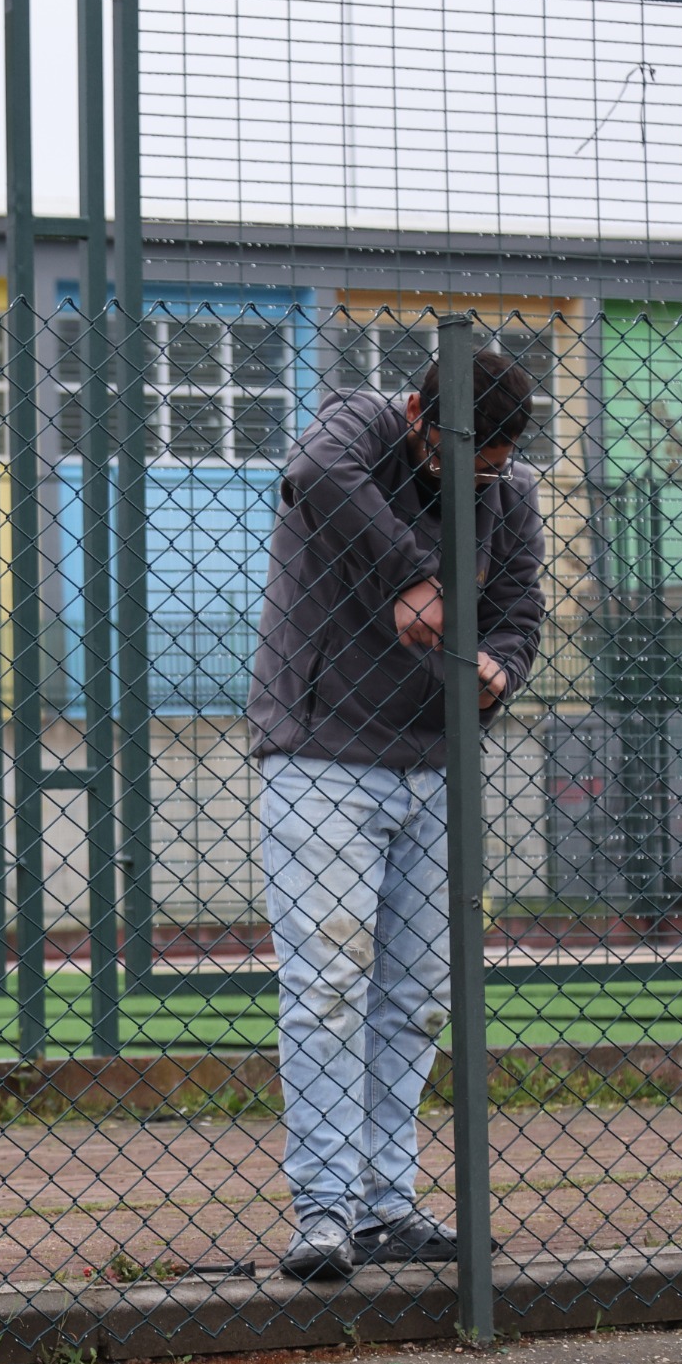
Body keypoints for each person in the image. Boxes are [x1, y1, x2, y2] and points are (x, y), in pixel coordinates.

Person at [246, 348, 545, 1280]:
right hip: (322, 757)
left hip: (436, 767)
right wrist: (415, 572)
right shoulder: (356, 426)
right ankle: (325, 1211)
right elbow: (314, 477)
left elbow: (518, 609)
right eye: (457, 457)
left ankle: (383, 1206)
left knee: (413, 999)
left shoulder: (512, 491)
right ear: (418, 412)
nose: (472, 480)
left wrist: (502, 666)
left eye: (486, 467)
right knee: (327, 988)